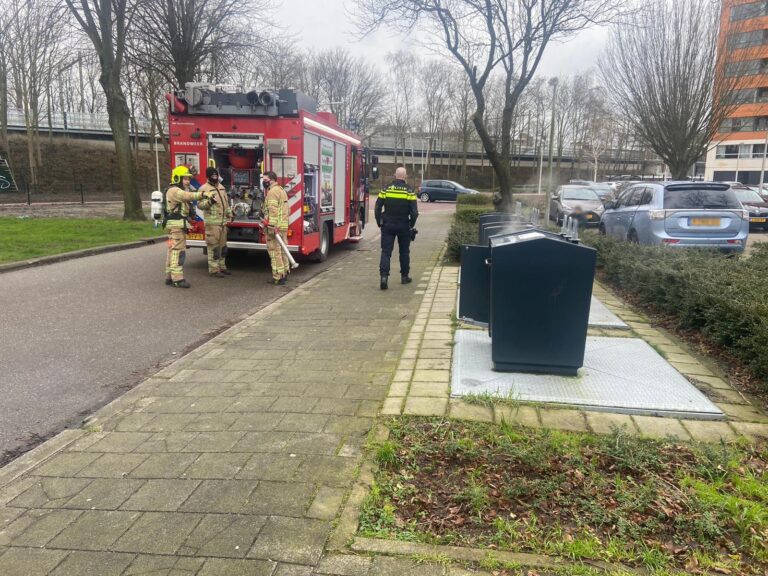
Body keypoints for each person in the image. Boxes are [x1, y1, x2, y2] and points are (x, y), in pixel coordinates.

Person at [375, 166, 418, 290]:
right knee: (404, 252)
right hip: (404, 225)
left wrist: (379, 222)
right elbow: (414, 212)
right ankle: (404, 277)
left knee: (386, 252)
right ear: (405, 177)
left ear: (395, 175)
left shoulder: (386, 189)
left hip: (388, 225)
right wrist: (411, 224)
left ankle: (384, 277)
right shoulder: (409, 191)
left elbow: (378, 207)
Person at [165, 165, 205, 288]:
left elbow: (186, 206)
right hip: (176, 227)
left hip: (175, 226)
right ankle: (177, 279)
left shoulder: (177, 190)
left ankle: (169, 277)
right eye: (185, 179)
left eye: (188, 179)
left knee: (172, 250)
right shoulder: (175, 190)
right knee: (178, 251)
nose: (188, 181)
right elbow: (188, 196)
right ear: (177, 178)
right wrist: (203, 194)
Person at [197, 167, 233, 277]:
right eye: (212, 176)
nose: (215, 177)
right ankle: (214, 270)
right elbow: (200, 205)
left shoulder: (221, 188)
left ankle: (222, 267)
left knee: (223, 247)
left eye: (216, 175)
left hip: (222, 223)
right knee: (213, 247)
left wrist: (229, 213)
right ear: (208, 177)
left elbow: (225, 203)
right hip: (212, 224)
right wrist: (210, 202)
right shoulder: (203, 189)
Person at [262, 171, 289, 285]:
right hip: (282, 226)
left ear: (271, 180)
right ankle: (285, 272)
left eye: (265, 179)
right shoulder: (281, 190)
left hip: (275, 228)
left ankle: (278, 276)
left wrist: (271, 227)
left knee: (274, 252)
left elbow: (273, 211)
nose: (264, 182)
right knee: (282, 251)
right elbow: (287, 209)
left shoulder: (272, 192)